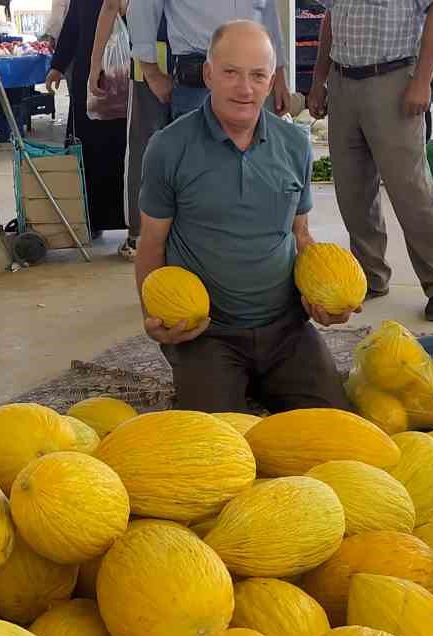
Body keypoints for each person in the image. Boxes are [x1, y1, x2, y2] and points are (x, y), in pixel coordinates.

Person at [137, 20, 354, 413]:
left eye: (257, 75)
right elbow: (151, 243)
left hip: (286, 328)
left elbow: (300, 234)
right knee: (218, 451)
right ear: (208, 74)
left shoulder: (295, 145)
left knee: (339, 429)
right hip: (207, 332)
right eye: (231, 73)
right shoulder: (167, 148)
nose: (244, 88)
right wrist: (155, 317)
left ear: (271, 82)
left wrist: (321, 294)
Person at [307, 0, 433, 322]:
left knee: (410, 192)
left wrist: (422, 80)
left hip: (392, 81)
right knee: (353, 192)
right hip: (342, 81)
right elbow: (330, 17)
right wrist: (319, 79)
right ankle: (370, 275)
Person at [89, 0, 169, 259]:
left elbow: (111, 5)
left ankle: (139, 235)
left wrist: (95, 63)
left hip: (148, 66)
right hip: (199, 65)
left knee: (142, 151)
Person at [47, 0, 128, 240]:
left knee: (124, 148)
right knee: (87, 147)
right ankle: (90, 217)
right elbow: (74, 22)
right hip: (88, 76)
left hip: (125, 69)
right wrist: (58, 66)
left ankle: (127, 218)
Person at [128, 0, 288, 119]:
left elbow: (268, 10)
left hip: (257, 76)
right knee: (199, 159)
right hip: (199, 84)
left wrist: (279, 72)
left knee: (257, 159)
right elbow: (142, 6)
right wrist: (151, 72)